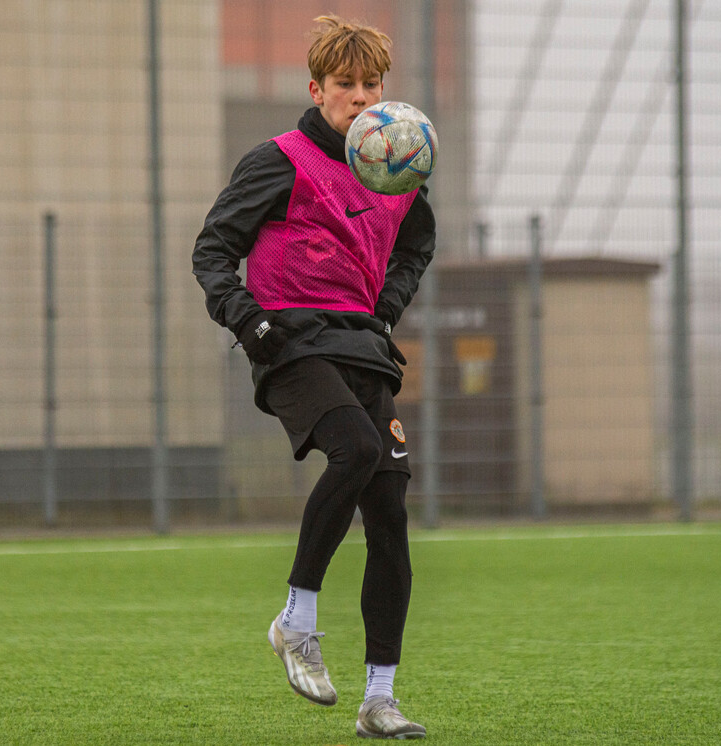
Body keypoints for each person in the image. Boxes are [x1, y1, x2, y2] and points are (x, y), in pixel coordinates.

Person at [192, 14, 436, 741]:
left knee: (390, 518)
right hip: (293, 343)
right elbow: (212, 249)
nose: (360, 98)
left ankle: (380, 701)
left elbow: (417, 248)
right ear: (317, 89)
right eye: (345, 85)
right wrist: (249, 321)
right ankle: (296, 621)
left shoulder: (398, 166)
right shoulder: (280, 159)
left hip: (361, 348)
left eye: (371, 85)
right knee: (356, 452)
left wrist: (385, 310)